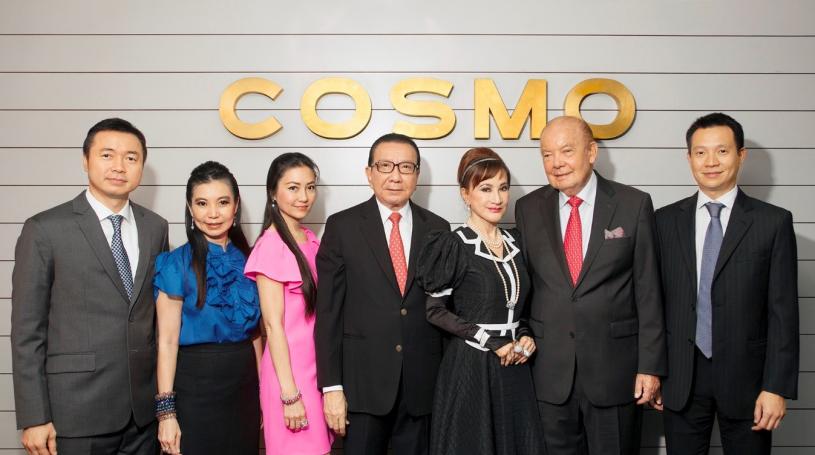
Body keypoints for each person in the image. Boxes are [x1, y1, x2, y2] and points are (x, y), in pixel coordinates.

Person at [11, 118, 169, 455]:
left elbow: (155, 318)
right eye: (107, 155)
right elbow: (27, 330)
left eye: (131, 157)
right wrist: (34, 416)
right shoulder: (45, 229)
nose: (119, 166)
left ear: (141, 166)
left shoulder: (155, 227)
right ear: (85, 161)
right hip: (75, 414)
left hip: (142, 415)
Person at [514, 115, 666, 455]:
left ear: (592, 152)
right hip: (549, 375)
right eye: (547, 154)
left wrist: (650, 367)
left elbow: (649, 292)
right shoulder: (527, 208)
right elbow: (524, 289)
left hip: (616, 373)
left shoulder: (633, 204)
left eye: (566, 151)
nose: (556, 163)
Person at [654, 113, 799, 455]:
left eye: (721, 151)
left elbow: (783, 314)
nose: (711, 162)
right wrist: (653, 371)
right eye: (700, 152)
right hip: (681, 380)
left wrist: (776, 387)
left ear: (741, 155)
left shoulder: (773, 222)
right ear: (689, 158)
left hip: (750, 384)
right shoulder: (663, 221)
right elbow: (652, 304)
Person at [315, 133, 450, 454]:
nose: (395, 176)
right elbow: (328, 313)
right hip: (362, 388)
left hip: (421, 389)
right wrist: (331, 387)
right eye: (385, 166)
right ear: (369, 172)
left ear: (417, 175)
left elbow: (444, 310)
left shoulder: (439, 229)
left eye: (406, 167)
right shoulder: (342, 226)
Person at [416, 147, 545, 454]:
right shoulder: (453, 244)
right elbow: (435, 311)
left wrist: (525, 335)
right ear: (466, 194)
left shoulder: (517, 241)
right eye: (485, 189)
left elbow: (520, 307)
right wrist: (490, 341)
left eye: (503, 188)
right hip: (471, 367)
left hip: (515, 365)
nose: (497, 198)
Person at [153, 161, 261, 454]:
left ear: (235, 206)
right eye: (202, 203)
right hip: (194, 388)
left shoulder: (251, 260)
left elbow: (256, 335)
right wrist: (166, 414)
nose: (213, 213)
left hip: (244, 388)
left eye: (222, 202)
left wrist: (263, 393)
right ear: (190, 208)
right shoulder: (175, 263)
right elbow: (167, 341)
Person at [244, 152, 333, 455]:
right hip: (290, 376)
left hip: (315, 370)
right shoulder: (271, 245)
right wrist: (289, 394)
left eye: (310, 187)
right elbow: (273, 326)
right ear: (273, 192)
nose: (304, 197)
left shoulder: (309, 238)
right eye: (293, 188)